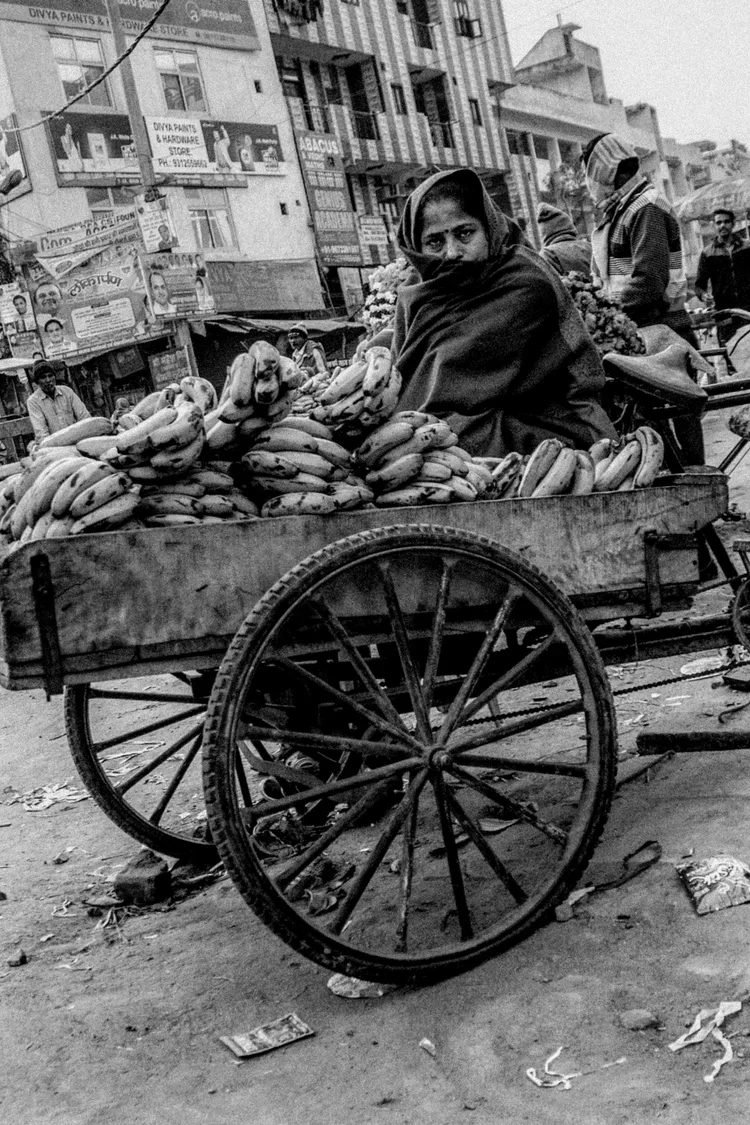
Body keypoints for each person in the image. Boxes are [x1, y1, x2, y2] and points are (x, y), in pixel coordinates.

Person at [390, 168, 616, 457]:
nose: (452, 252)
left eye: (464, 233)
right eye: (435, 242)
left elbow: (455, 379)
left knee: (440, 443)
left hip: (546, 428)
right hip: (453, 423)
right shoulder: (418, 292)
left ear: (488, 229)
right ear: (417, 247)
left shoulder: (523, 283)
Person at [583, 132, 704, 464]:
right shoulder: (620, 211)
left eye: (589, 172)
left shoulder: (646, 206)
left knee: (679, 418)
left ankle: (698, 479)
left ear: (607, 170)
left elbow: (649, 282)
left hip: (663, 330)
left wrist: (602, 313)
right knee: (652, 423)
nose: (590, 183)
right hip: (640, 332)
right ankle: (681, 476)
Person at [694, 208, 750, 346]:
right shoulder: (707, 253)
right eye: (719, 223)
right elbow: (699, 286)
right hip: (725, 314)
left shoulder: (747, 246)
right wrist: (704, 296)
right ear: (714, 225)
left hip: (748, 310)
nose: (722, 225)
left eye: (726, 222)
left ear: (733, 223)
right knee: (730, 351)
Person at [26, 360, 90, 441]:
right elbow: (41, 432)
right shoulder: (33, 401)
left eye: (50, 376)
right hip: (54, 444)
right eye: (43, 377)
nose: (48, 380)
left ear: (55, 377)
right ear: (37, 382)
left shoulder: (67, 391)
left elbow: (84, 416)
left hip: (76, 439)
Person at [536, 203, 592, 279]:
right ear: (569, 226)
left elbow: (552, 283)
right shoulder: (589, 246)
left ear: (544, 233)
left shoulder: (548, 254)